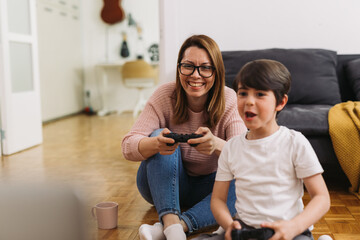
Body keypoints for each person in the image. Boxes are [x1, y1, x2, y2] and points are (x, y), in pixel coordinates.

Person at [122, 34, 247, 240]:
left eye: (205, 68)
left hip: (211, 188)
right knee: (158, 136)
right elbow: (128, 146)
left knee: (245, 183)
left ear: (216, 72)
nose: (195, 75)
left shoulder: (229, 98)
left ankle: (174, 228)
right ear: (179, 67)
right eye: (188, 66)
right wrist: (155, 144)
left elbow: (245, 156)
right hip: (164, 184)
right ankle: (171, 222)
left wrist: (216, 145)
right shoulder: (164, 95)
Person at [210, 59, 331, 240]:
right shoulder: (231, 148)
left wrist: (293, 227)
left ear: (280, 102)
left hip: (290, 232)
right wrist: (228, 225)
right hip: (245, 231)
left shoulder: (295, 142)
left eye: (260, 94)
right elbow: (218, 200)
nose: (249, 101)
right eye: (243, 93)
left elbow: (322, 198)